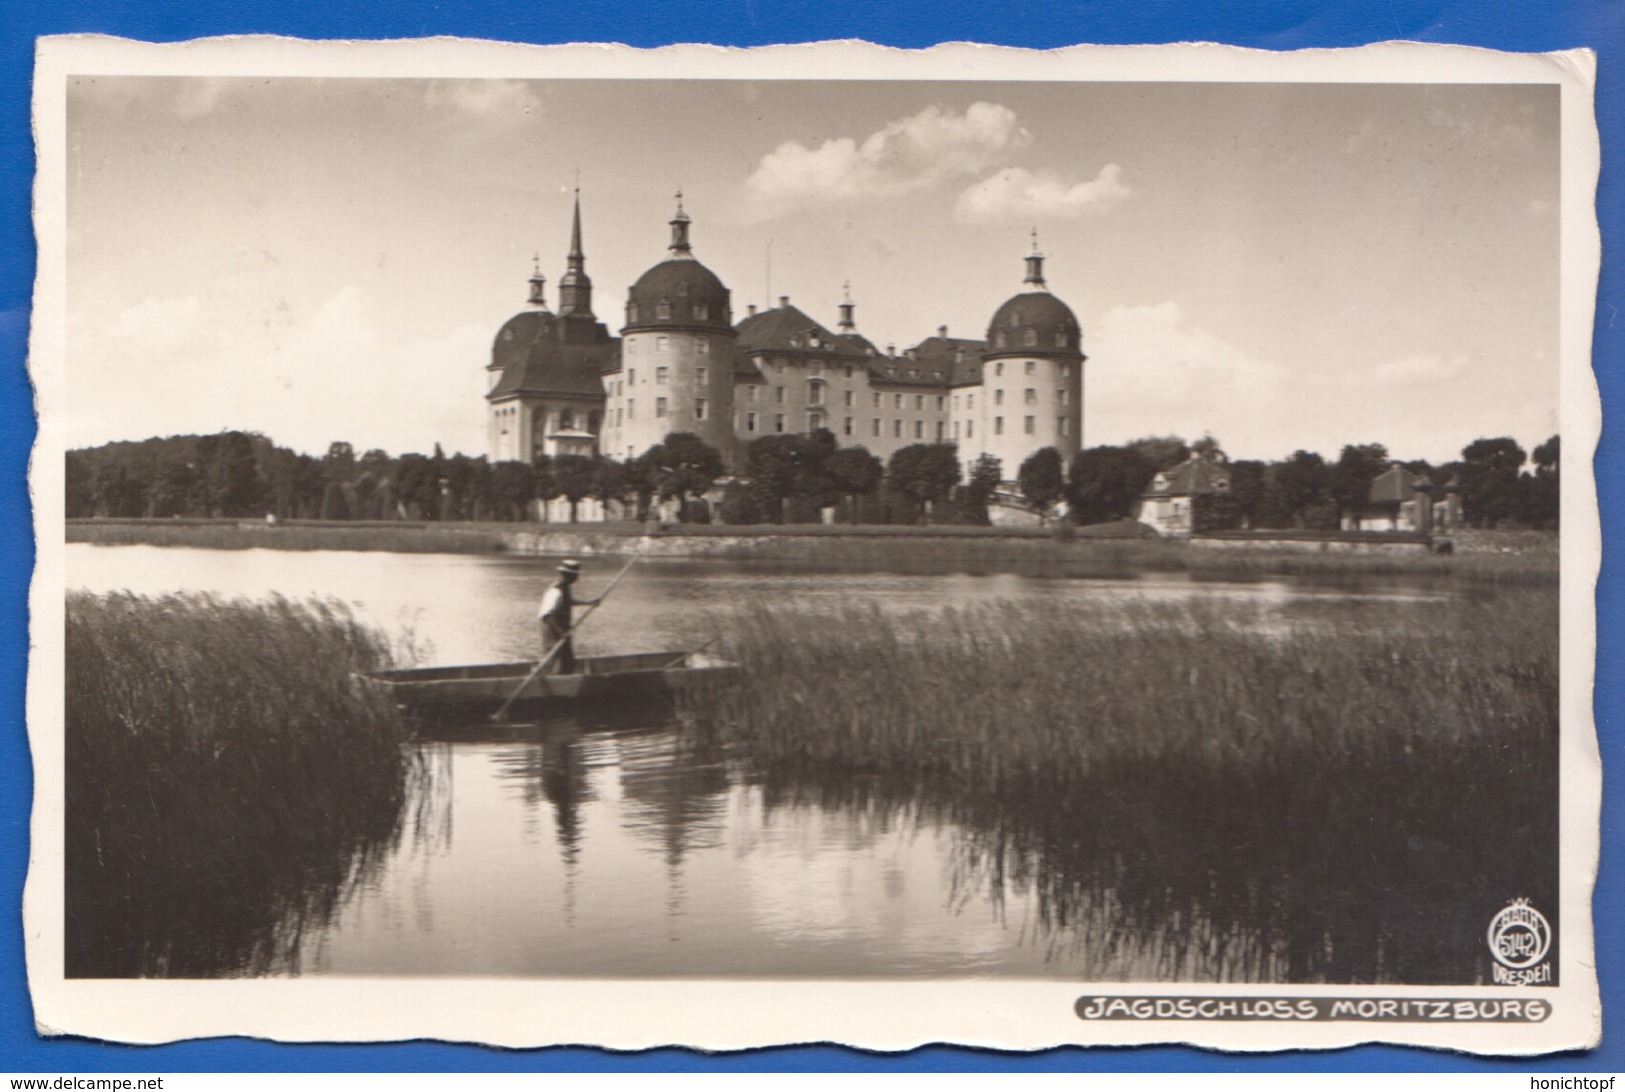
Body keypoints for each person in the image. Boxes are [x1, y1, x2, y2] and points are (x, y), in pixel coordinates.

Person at [537, 559, 600, 674]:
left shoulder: (565, 588)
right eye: (575, 575)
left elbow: (567, 601)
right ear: (568, 575)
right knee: (557, 664)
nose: (577, 578)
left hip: (563, 631)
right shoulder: (555, 591)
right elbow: (546, 615)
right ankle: (557, 686)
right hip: (553, 633)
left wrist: (589, 602)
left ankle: (565, 684)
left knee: (568, 663)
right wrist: (560, 632)